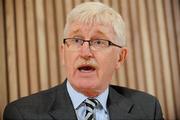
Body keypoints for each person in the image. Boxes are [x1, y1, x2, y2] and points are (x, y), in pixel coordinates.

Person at [3, 2, 164, 120]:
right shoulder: (21, 114)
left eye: (99, 42)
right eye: (76, 40)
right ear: (63, 52)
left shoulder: (148, 109)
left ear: (120, 57)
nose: (85, 52)